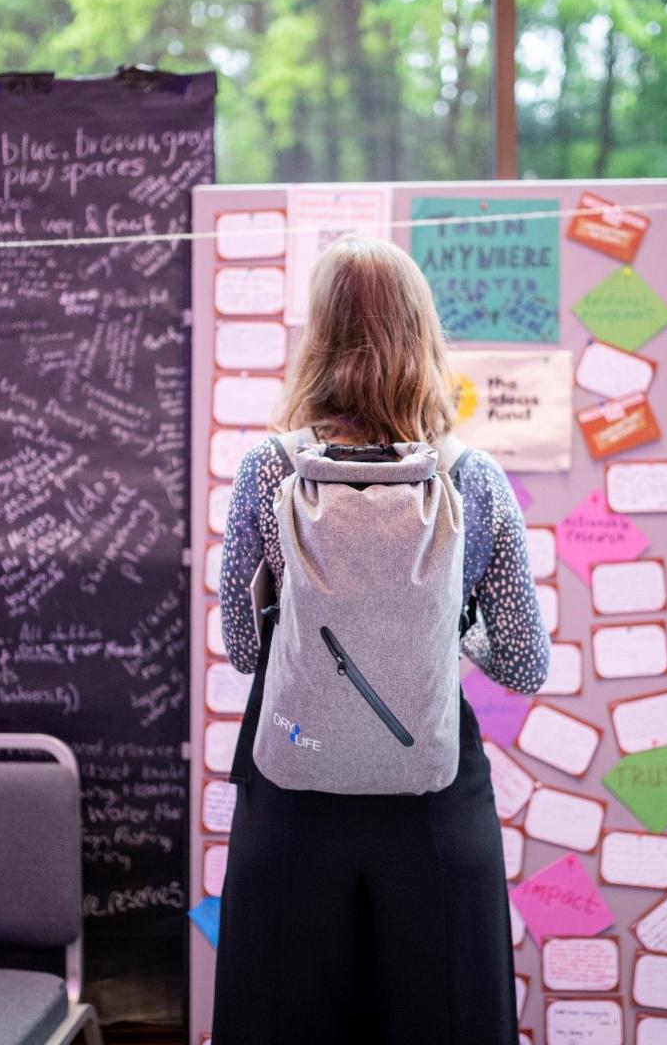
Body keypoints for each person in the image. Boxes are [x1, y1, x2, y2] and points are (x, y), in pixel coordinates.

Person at [211, 235, 551, 1045]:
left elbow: (246, 649)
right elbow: (527, 663)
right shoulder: (472, 478)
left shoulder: (269, 470)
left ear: (317, 337)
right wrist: (445, 629)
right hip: (432, 807)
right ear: (422, 335)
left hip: (294, 789)